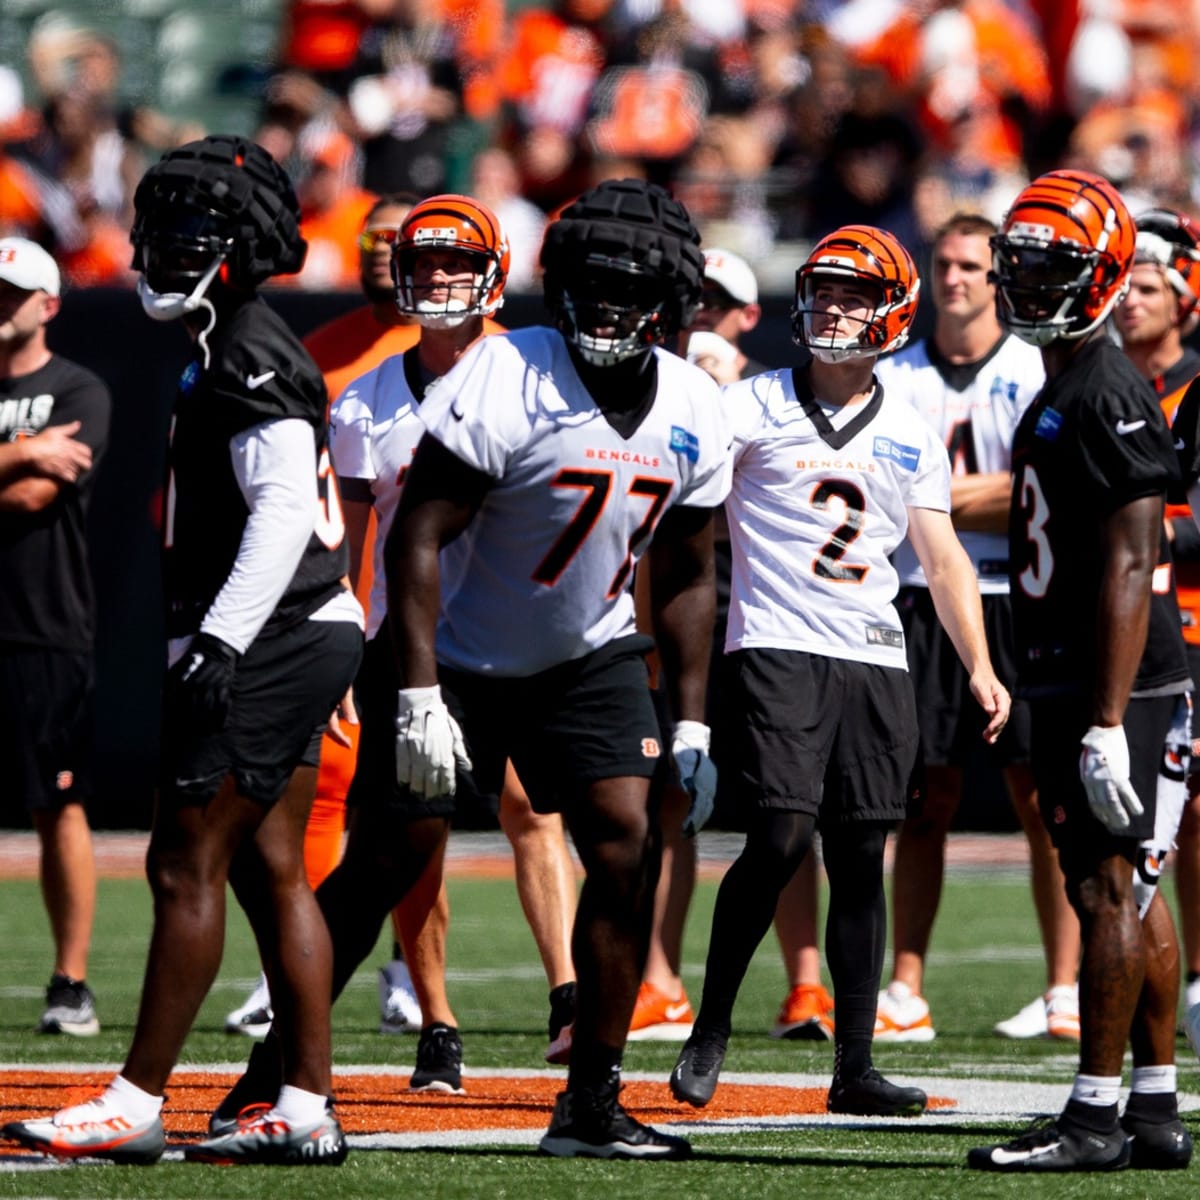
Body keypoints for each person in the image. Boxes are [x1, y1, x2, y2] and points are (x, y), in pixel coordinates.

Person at [217, 177, 724, 1161]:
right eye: (595, 284)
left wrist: (693, 719)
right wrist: (411, 694)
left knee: (627, 845)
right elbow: (413, 540)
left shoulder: (700, 403)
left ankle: (589, 1100)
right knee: (384, 867)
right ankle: (273, 1070)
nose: (611, 307)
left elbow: (693, 572)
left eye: (633, 289)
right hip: (452, 654)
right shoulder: (508, 373)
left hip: (591, 653)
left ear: (673, 299)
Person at [3, 135, 363, 1167]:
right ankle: (302, 1104)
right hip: (298, 627)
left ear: (242, 247)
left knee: (182, 863)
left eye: (186, 236)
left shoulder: (248, 346)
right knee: (270, 871)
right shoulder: (234, 341)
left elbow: (288, 504)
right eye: (154, 232)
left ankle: (136, 1098)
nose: (159, 253)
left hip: (272, 630)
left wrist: (219, 639)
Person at [222, 194, 579, 1072]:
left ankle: (570, 996)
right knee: (413, 829)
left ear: (494, 275)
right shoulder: (362, 401)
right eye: (420, 263)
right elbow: (346, 539)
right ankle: (436, 1018)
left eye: (454, 263)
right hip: (406, 639)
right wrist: (348, 640)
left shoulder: (531, 373)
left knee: (536, 809)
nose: (434, 280)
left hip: (511, 631)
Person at [669, 223, 1010, 1119]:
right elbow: (684, 497)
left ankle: (854, 1065)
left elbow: (942, 560)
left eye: (855, 293)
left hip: (875, 653)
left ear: (891, 311)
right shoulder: (752, 403)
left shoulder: (908, 428)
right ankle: (711, 1028)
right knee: (780, 837)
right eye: (824, 290)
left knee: (861, 855)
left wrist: (978, 661)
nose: (833, 307)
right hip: (777, 644)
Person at [969, 169, 1193, 1172]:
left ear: (1099, 274)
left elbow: (1137, 556)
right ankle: (1149, 1110)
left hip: (1120, 684)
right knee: (1133, 891)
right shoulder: (1072, 379)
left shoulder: (1105, 388)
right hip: (1092, 676)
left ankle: (1093, 1117)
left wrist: (1105, 716)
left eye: (1049, 266)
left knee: (1107, 889)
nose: (1026, 283)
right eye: (1020, 264)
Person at [871, 212, 1080, 1043]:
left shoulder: (1032, 368)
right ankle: (906, 984)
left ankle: (1063, 985)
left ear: (998, 278)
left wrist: (933, 495)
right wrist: (972, 493)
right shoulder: (900, 373)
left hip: (1015, 592)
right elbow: (883, 488)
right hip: (920, 595)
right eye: (945, 264)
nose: (955, 279)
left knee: (1041, 799)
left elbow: (1041, 483)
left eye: (971, 265)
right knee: (922, 796)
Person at [0, 236, 110, 1039]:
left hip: (44, 623)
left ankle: (71, 980)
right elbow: (26, 470)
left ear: (48, 305)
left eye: (14, 294)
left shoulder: (79, 386)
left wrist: (27, 459)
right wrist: (18, 448)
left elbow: (38, 495)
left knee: (58, 803)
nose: (1, 306)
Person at [1111, 208, 1200, 1051]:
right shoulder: (1102, 380)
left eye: (1149, 286)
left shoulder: (1191, 392)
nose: (1131, 301)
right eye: (1125, 284)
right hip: (1138, 624)